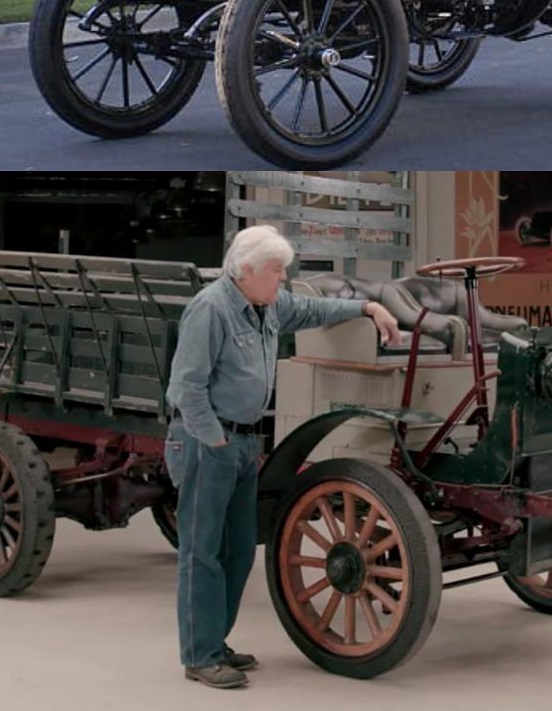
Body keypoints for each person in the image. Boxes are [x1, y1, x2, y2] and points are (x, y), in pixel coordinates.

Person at [166, 225, 399, 689]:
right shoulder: (211, 310)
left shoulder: (266, 304)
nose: (282, 279)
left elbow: (315, 309)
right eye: (276, 271)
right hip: (207, 442)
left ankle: (215, 641)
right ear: (246, 270)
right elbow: (185, 387)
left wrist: (367, 307)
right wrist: (215, 441)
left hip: (245, 443)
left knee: (238, 553)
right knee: (202, 552)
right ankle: (200, 655)